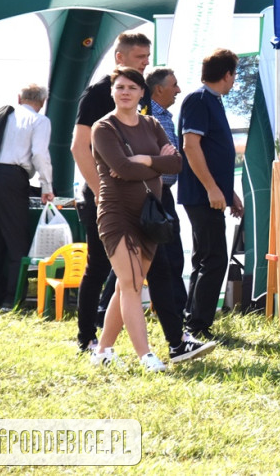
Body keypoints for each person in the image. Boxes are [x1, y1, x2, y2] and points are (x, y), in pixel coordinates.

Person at [71, 32, 213, 365]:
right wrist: (105, 189)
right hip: (107, 201)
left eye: (148, 58)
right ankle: (92, 339)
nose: (145, 64)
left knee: (144, 275)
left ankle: (154, 343)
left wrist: (147, 164)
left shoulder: (146, 110)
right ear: (119, 58)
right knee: (106, 271)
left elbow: (170, 159)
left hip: (149, 203)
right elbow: (84, 149)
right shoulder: (97, 98)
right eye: (139, 58)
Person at [88, 68, 182, 371]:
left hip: (148, 216)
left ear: (143, 92)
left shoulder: (153, 124)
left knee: (128, 284)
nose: (125, 92)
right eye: (119, 87)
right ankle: (145, 355)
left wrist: (143, 160)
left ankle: (103, 350)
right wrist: (156, 164)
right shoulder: (103, 128)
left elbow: (177, 163)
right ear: (112, 92)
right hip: (116, 214)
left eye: (131, 87)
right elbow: (120, 169)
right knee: (130, 284)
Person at [178, 48, 243, 341]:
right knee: (214, 259)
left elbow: (215, 151)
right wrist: (212, 188)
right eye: (234, 76)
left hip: (213, 194)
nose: (234, 82)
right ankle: (198, 326)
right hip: (202, 195)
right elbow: (191, 147)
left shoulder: (213, 101)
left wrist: (228, 193)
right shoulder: (198, 99)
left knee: (204, 257)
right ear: (227, 74)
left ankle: (192, 319)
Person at [0, 84, 53, 310]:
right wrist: (47, 185)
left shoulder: (3, 116)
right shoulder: (39, 121)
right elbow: (40, 153)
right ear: (42, 102)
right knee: (16, 240)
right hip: (13, 178)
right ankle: (12, 298)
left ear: (19, 98)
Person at [146, 66, 187, 311]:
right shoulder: (148, 116)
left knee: (172, 253)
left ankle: (174, 306)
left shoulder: (165, 116)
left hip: (165, 194)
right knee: (159, 253)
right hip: (152, 194)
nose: (178, 90)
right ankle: (174, 306)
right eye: (174, 85)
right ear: (159, 89)